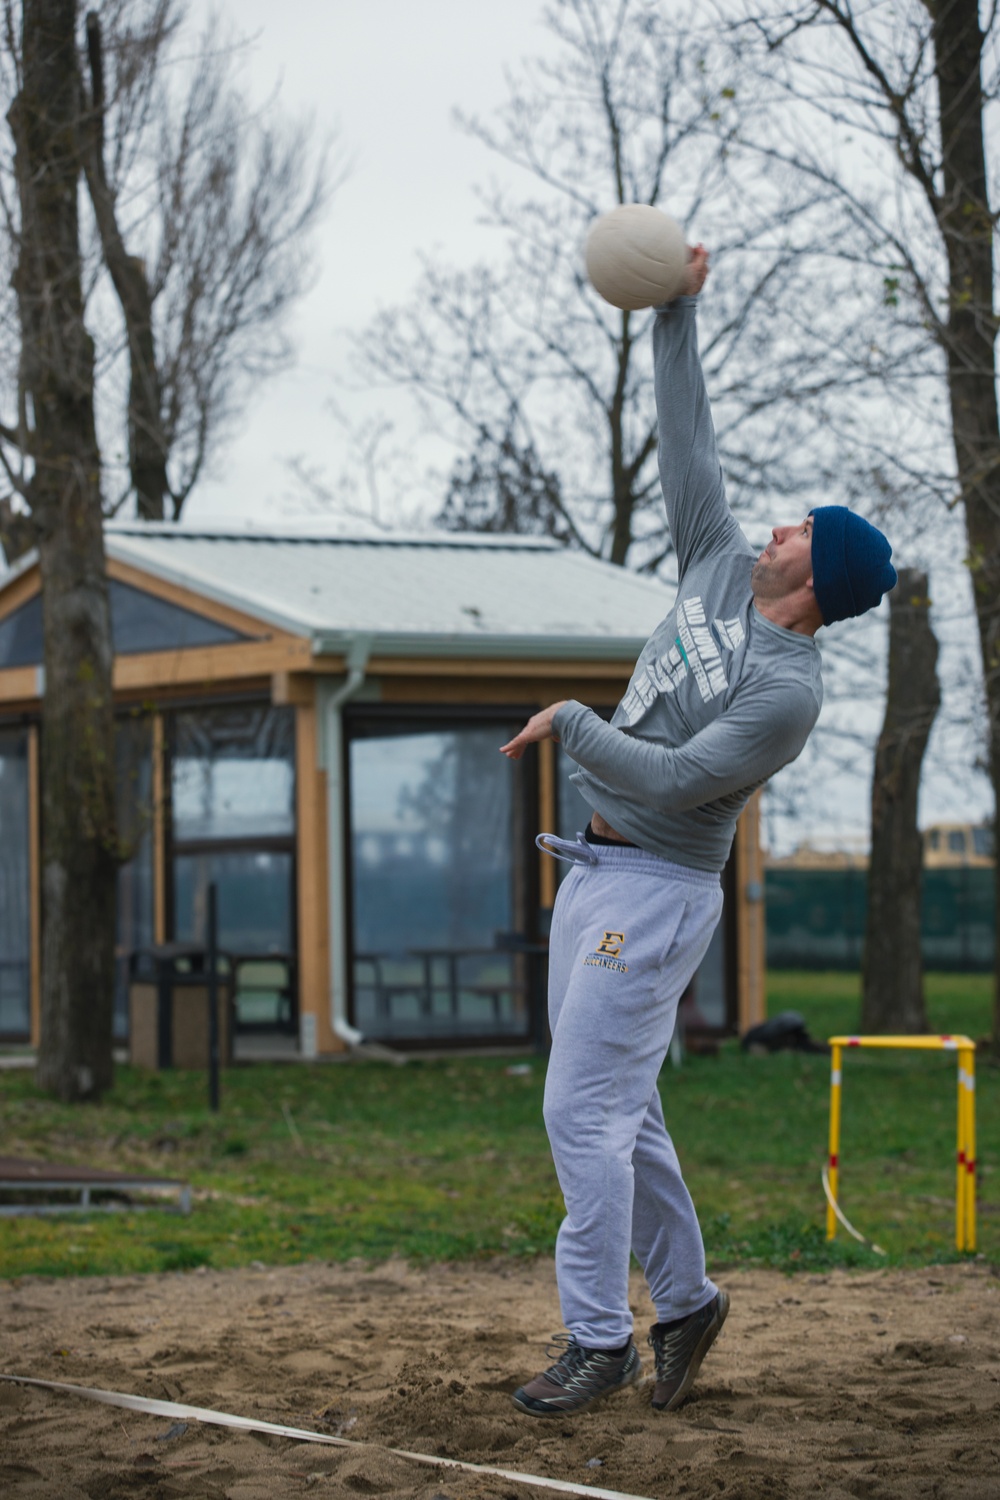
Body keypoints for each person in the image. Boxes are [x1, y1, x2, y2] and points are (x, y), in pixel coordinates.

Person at [499, 244, 896, 1419]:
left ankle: (596, 1340)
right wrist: (675, 307)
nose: (774, 524)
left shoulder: (787, 692)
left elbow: (675, 784)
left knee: (580, 1111)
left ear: (812, 576)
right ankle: (686, 1301)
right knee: (626, 1113)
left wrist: (573, 719)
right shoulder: (719, 563)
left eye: (798, 527)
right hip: (594, 874)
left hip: (658, 895)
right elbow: (689, 443)